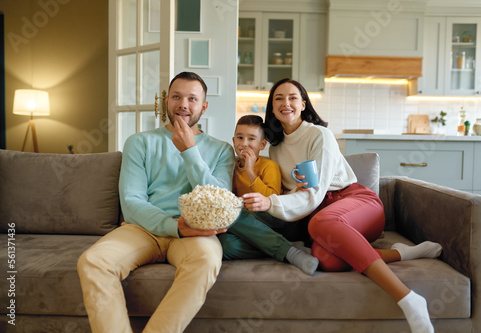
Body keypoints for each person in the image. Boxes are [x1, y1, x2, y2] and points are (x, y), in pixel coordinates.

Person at [241, 78, 442, 333]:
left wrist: (270, 202)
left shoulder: (319, 135)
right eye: (278, 98)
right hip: (321, 216)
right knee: (326, 260)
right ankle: (403, 253)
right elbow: (296, 193)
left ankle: (409, 298)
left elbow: (314, 193)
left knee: (321, 222)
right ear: (271, 107)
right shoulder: (277, 148)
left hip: (355, 203)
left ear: (303, 104)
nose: (285, 103)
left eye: (292, 97)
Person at [77, 72, 235, 333]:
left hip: (194, 232)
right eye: (176, 96)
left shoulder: (221, 150)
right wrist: (173, 226)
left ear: (203, 106)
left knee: (206, 260)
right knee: (94, 261)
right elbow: (131, 201)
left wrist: (189, 151)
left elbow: (219, 202)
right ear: (166, 101)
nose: (183, 104)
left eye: (192, 98)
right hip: (142, 229)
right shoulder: (140, 142)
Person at [218, 114, 319, 275]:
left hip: (274, 219)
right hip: (249, 223)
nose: (244, 143)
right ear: (233, 140)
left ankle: (290, 253)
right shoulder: (231, 166)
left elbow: (272, 199)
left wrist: (251, 171)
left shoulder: (268, 166)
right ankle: (286, 247)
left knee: (233, 210)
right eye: (240, 137)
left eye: (251, 139)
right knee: (226, 246)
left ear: (262, 144)